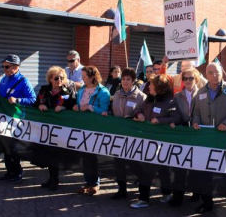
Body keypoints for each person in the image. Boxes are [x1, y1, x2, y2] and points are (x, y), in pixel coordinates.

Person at [192, 62, 226, 213]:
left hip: (224, 137)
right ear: (206, 74)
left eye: (217, 72)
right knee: (205, 171)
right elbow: (195, 113)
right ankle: (207, 202)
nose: (214, 75)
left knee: (225, 170)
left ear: (222, 72)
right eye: (210, 73)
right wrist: (196, 122)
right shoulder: (200, 91)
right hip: (206, 138)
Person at [130, 74, 180, 208]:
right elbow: (138, 109)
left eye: (152, 84)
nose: (149, 86)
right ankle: (143, 199)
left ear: (160, 87)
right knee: (144, 170)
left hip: (162, 142)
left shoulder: (170, 102)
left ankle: (166, 193)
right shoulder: (148, 99)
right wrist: (138, 114)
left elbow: (176, 117)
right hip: (146, 141)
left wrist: (160, 121)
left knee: (164, 169)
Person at [0, 54, 36, 183]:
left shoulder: (24, 82)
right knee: (6, 147)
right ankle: (10, 172)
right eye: (3, 66)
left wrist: (17, 99)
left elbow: (33, 99)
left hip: (17, 119)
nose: (4, 69)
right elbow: (1, 95)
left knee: (13, 147)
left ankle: (17, 172)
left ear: (16, 67)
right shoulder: (4, 79)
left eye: (7, 66)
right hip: (3, 118)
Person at [33, 66, 76, 191]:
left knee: (55, 154)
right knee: (48, 153)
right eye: (56, 78)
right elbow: (36, 102)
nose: (59, 80)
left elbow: (73, 105)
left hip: (61, 128)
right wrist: (40, 105)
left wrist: (63, 108)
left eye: (62, 78)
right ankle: (51, 178)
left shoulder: (68, 91)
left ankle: (55, 181)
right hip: (46, 127)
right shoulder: (44, 90)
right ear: (50, 78)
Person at [110, 68, 147, 199]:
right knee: (119, 163)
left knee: (134, 165)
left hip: (134, 137)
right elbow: (112, 111)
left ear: (133, 81)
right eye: (123, 79)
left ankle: (142, 191)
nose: (125, 81)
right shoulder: (117, 94)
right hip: (118, 135)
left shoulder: (141, 96)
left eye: (128, 79)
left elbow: (144, 114)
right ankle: (122, 189)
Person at [73, 66, 110, 196]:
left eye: (84, 77)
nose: (82, 79)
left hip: (96, 127)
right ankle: (88, 182)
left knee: (93, 156)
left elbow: (104, 110)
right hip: (83, 127)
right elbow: (80, 105)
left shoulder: (103, 92)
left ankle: (95, 183)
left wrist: (90, 107)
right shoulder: (82, 90)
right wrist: (77, 107)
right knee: (85, 156)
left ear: (92, 77)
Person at [169, 68, 201, 207]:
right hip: (182, 134)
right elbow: (174, 112)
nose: (188, 81)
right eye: (185, 78)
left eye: (191, 78)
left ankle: (196, 194)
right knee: (179, 167)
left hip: (197, 133)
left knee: (196, 167)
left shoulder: (202, 94)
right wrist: (173, 121)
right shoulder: (177, 96)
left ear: (196, 79)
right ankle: (177, 197)